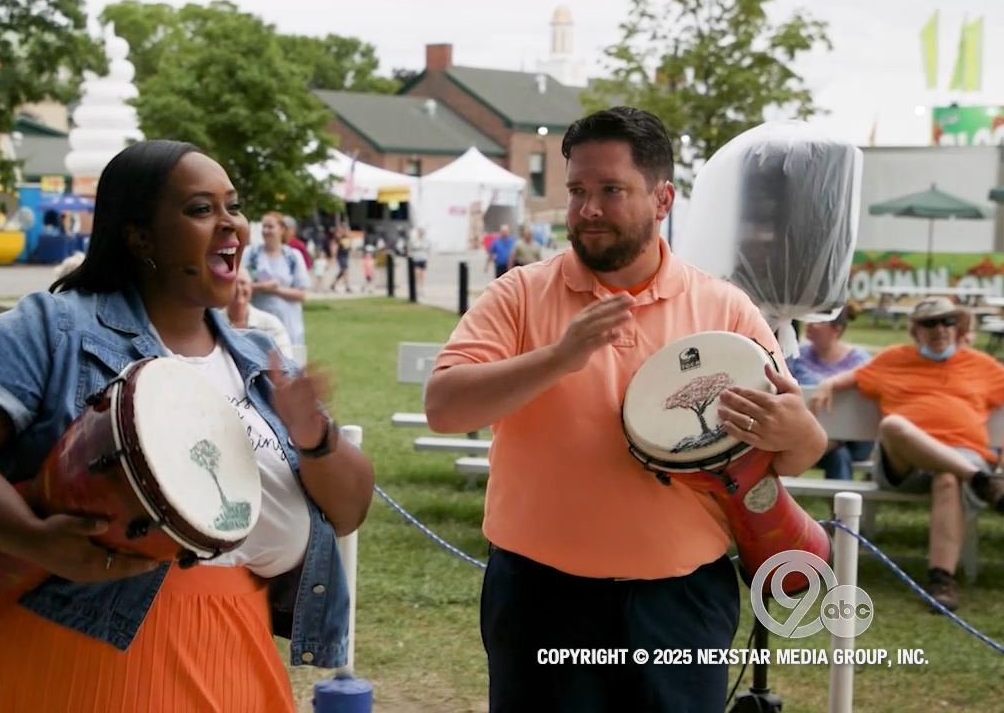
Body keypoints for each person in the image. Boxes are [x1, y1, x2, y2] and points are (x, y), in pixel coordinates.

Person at [0, 140, 375, 712]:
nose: (230, 224)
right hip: (66, 667)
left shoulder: (260, 359)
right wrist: (35, 539)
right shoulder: (57, 325)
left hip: (236, 657)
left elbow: (349, 510)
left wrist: (314, 435)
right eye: (199, 209)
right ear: (139, 235)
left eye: (232, 206)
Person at [422, 106, 827, 712]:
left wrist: (799, 430)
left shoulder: (724, 308)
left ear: (662, 199)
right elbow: (444, 407)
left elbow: (794, 455)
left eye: (610, 190)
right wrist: (560, 356)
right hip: (542, 599)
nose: (587, 209)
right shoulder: (519, 293)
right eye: (577, 190)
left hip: (681, 603)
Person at [809, 296, 1004, 611]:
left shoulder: (983, 366)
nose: (939, 329)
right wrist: (828, 384)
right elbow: (851, 378)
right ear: (915, 331)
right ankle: (983, 482)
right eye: (929, 323)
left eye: (947, 321)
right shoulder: (892, 359)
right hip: (904, 464)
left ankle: (941, 580)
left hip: (962, 456)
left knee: (947, 478)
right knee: (894, 425)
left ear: (958, 327)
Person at [788, 306, 873, 480]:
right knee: (839, 456)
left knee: (838, 446)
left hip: (853, 440)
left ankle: (798, 456)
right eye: (809, 318)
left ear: (836, 329)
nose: (809, 324)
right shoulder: (797, 355)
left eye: (817, 320)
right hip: (820, 436)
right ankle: (841, 507)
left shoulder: (859, 360)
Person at [242, 211, 311, 346]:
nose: (266, 231)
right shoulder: (251, 254)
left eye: (270, 227)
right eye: (264, 227)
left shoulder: (292, 256)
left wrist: (275, 289)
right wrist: (262, 287)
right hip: (257, 323)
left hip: (288, 323)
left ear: (281, 229)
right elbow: (237, 286)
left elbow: (301, 294)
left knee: (289, 362)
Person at [227, 266, 294, 359]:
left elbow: (285, 362)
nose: (238, 288)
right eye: (232, 284)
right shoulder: (213, 323)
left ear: (251, 288)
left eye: (243, 283)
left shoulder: (271, 324)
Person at [407, 227, 431, 297]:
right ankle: (417, 288)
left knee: (422, 274)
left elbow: (427, 249)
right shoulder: (413, 241)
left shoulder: (426, 241)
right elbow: (410, 248)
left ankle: (422, 288)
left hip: (423, 258)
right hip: (416, 258)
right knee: (417, 274)